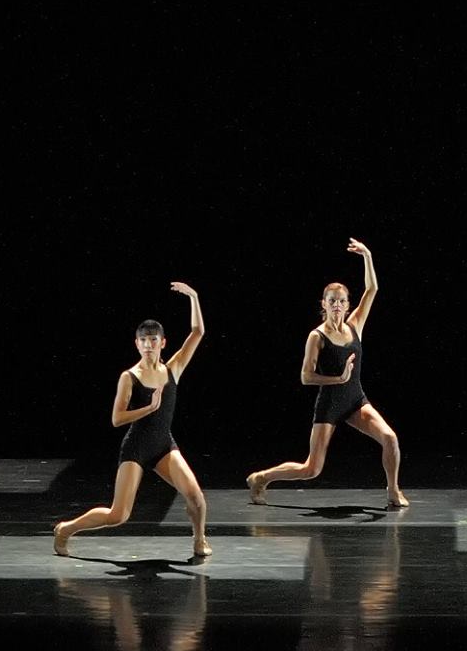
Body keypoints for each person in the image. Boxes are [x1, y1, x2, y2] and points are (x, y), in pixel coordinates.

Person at [246, 239, 408, 508]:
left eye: (342, 301)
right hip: (330, 404)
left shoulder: (355, 324)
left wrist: (367, 255)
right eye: (332, 301)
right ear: (324, 303)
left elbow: (372, 288)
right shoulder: (316, 336)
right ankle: (262, 477)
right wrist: (338, 379)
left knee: (390, 438)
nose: (337, 305)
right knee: (312, 469)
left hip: (356, 400)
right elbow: (305, 376)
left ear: (347, 304)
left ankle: (393, 490)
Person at [54, 283, 211, 558]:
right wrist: (149, 408)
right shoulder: (130, 376)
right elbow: (117, 419)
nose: (148, 345)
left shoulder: (172, 368)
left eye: (153, 340)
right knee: (118, 515)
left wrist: (194, 297)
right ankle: (66, 529)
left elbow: (198, 332)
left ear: (162, 343)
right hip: (136, 447)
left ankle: (199, 540)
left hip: (164, 445)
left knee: (196, 498)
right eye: (143, 341)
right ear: (136, 344)